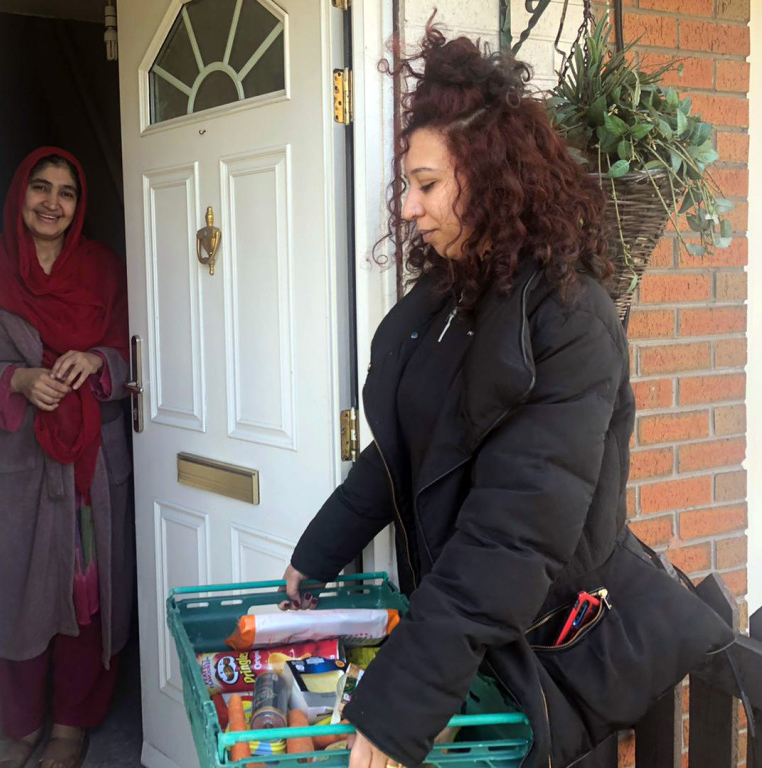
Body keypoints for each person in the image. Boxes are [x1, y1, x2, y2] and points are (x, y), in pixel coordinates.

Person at [282, 27, 735, 768]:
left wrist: (399, 708)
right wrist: (315, 556)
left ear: (489, 176)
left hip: (544, 667)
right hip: (470, 655)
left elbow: (513, 532)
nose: (408, 208)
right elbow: (401, 452)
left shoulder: (570, 319)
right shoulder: (446, 299)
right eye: (409, 186)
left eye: (426, 185)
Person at [0, 147, 133, 768]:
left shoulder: (103, 271)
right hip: (16, 469)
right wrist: (16, 381)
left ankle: (72, 727)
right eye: (40, 189)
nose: (52, 203)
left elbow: (137, 351)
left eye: (66, 193)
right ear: (19, 196)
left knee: (86, 598)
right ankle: (19, 728)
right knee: (17, 594)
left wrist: (100, 361)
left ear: (79, 205)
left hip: (90, 467)